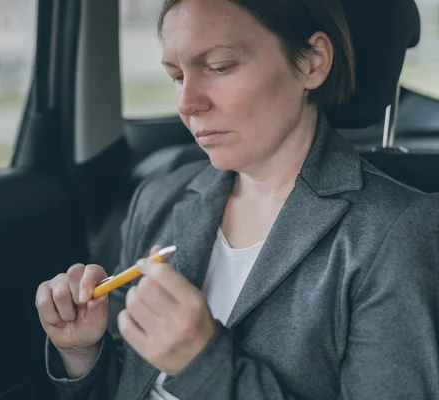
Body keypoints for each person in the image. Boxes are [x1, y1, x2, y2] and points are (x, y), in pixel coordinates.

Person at [36, 0, 439, 398]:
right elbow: (127, 383)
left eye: (219, 67)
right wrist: (81, 353)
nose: (186, 103)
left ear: (312, 61)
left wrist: (201, 364)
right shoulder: (160, 197)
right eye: (177, 76)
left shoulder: (395, 233)